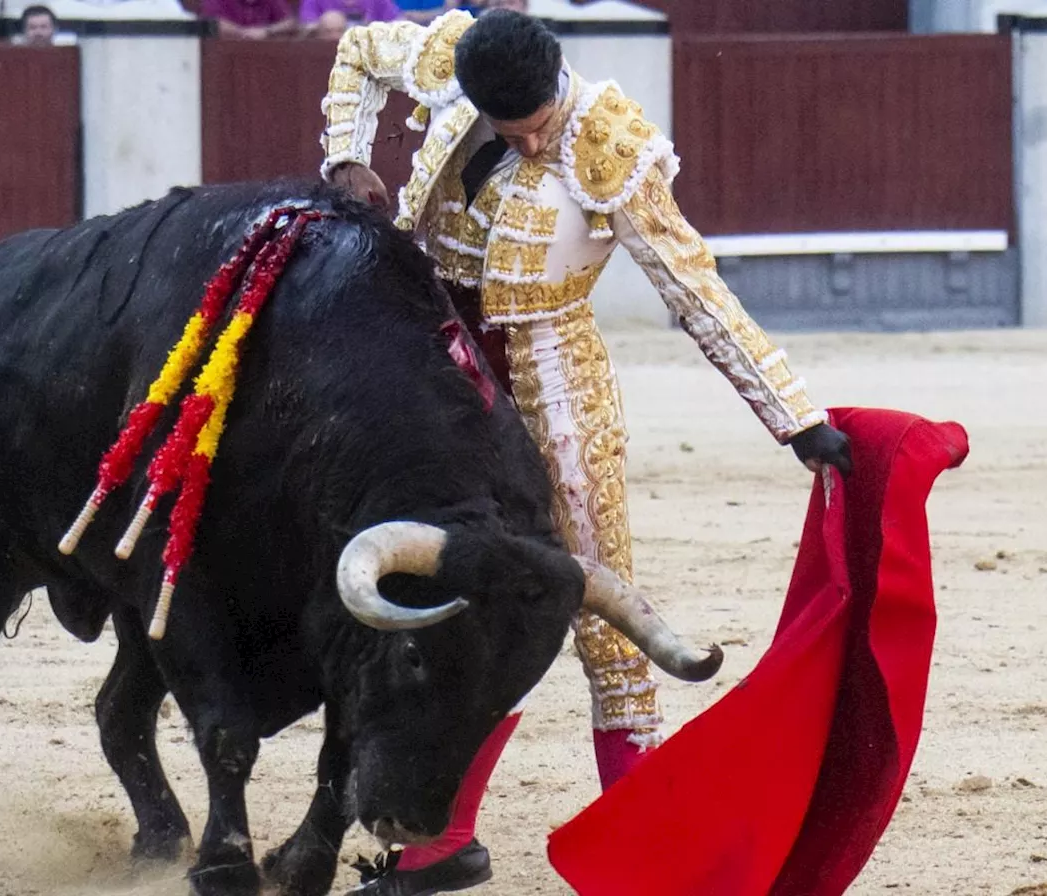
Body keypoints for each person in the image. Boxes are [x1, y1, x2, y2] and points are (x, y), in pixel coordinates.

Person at [319, 9, 853, 894]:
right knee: (452, 597)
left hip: (552, 389)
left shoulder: (612, 145)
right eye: (506, 127)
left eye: (533, 124)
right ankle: (438, 844)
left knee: (602, 614)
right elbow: (360, 51)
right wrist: (347, 154)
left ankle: (642, 847)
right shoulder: (455, 61)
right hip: (438, 375)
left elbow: (695, 288)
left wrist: (795, 418)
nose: (525, 140)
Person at [200, 0, 298, 38]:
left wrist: (267, 31)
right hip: (224, 56)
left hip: (264, 57)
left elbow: (290, 23)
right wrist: (244, 32)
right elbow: (212, 23)